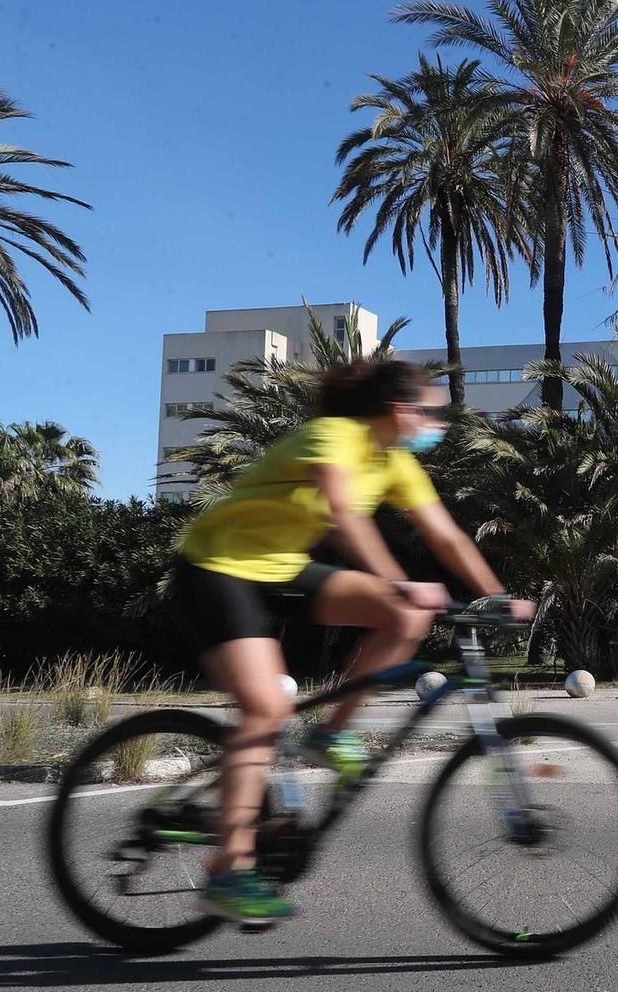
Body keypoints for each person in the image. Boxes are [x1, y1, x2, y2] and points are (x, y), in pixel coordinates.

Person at [172, 359, 530, 928]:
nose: (441, 422)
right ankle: (229, 869)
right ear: (398, 411)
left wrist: (496, 596)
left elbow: (446, 533)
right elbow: (343, 513)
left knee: (402, 619)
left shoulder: (397, 462)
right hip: (219, 569)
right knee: (264, 710)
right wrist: (399, 581)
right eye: (434, 412)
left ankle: (328, 734)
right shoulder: (332, 436)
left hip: (284, 569)